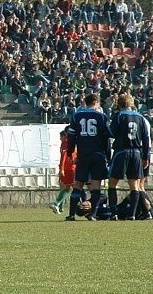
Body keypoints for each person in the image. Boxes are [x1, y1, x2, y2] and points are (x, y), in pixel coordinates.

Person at [65, 93, 111, 221]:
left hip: (83, 154)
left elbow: (71, 137)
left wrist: (69, 153)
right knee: (96, 185)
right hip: (98, 155)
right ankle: (93, 214)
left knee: (78, 184)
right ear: (96, 102)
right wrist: (108, 156)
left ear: (85, 102)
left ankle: (71, 215)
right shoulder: (102, 117)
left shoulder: (77, 116)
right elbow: (106, 139)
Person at [107, 94, 151, 221]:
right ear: (131, 104)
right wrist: (146, 156)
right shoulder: (141, 118)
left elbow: (112, 133)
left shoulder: (119, 116)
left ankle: (114, 213)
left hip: (122, 151)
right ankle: (131, 214)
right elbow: (146, 138)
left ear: (119, 104)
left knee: (112, 183)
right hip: (137, 152)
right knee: (134, 184)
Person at [48, 127, 76, 215]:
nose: (60, 139)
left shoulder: (66, 143)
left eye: (61, 137)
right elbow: (64, 155)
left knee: (68, 188)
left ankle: (60, 207)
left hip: (69, 168)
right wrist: (62, 168)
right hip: (70, 168)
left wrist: (62, 168)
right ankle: (57, 204)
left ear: (65, 135)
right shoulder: (67, 143)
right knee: (71, 188)